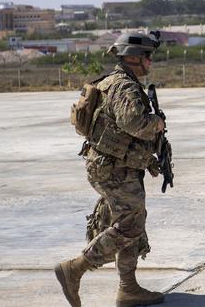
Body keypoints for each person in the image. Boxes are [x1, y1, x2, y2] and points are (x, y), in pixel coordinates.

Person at [55, 32, 166, 307]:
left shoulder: (109, 82)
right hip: (115, 170)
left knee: (131, 222)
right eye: (147, 57)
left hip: (111, 166)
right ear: (132, 57)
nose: (150, 62)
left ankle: (128, 289)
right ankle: (75, 268)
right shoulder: (124, 87)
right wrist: (157, 123)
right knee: (129, 226)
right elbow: (135, 124)